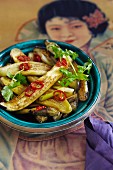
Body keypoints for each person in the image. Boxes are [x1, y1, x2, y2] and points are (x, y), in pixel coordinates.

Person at [12, 0, 113, 169]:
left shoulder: (105, 62)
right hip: (36, 142)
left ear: (91, 28)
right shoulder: (47, 58)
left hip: (88, 134)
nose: (66, 33)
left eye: (76, 26)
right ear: (46, 30)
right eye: (56, 28)